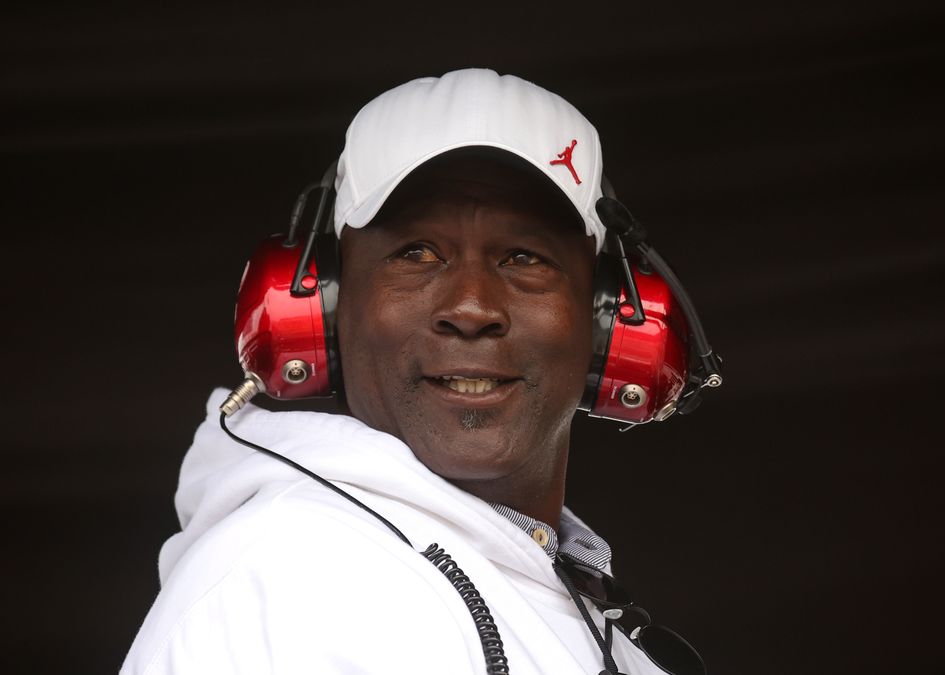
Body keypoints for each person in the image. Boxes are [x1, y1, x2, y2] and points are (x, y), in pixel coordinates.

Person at [121, 68, 710, 675]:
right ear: (321, 303)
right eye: (416, 253)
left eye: (525, 257)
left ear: (609, 317)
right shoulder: (288, 584)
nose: (473, 308)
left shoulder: (579, 612)